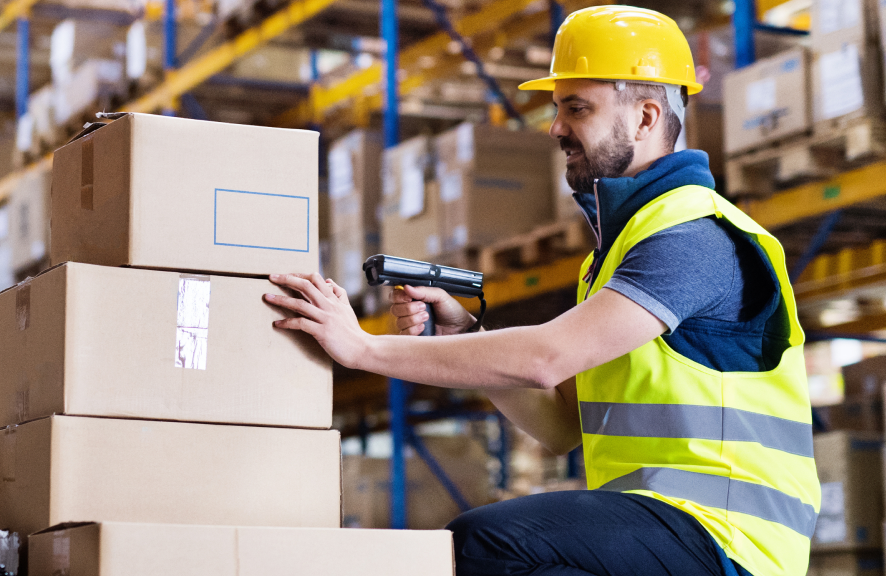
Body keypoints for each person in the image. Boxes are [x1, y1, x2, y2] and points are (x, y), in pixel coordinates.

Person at [264, 6, 819, 576]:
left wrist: (363, 349)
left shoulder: (693, 237)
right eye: (557, 109)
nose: (555, 127)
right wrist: (464, 331)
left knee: (489, 543)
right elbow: (558, 428)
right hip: (665, 531)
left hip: (726, 539)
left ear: (647, 116)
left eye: (576, 108)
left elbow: (545, 357)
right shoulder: (615, 254)